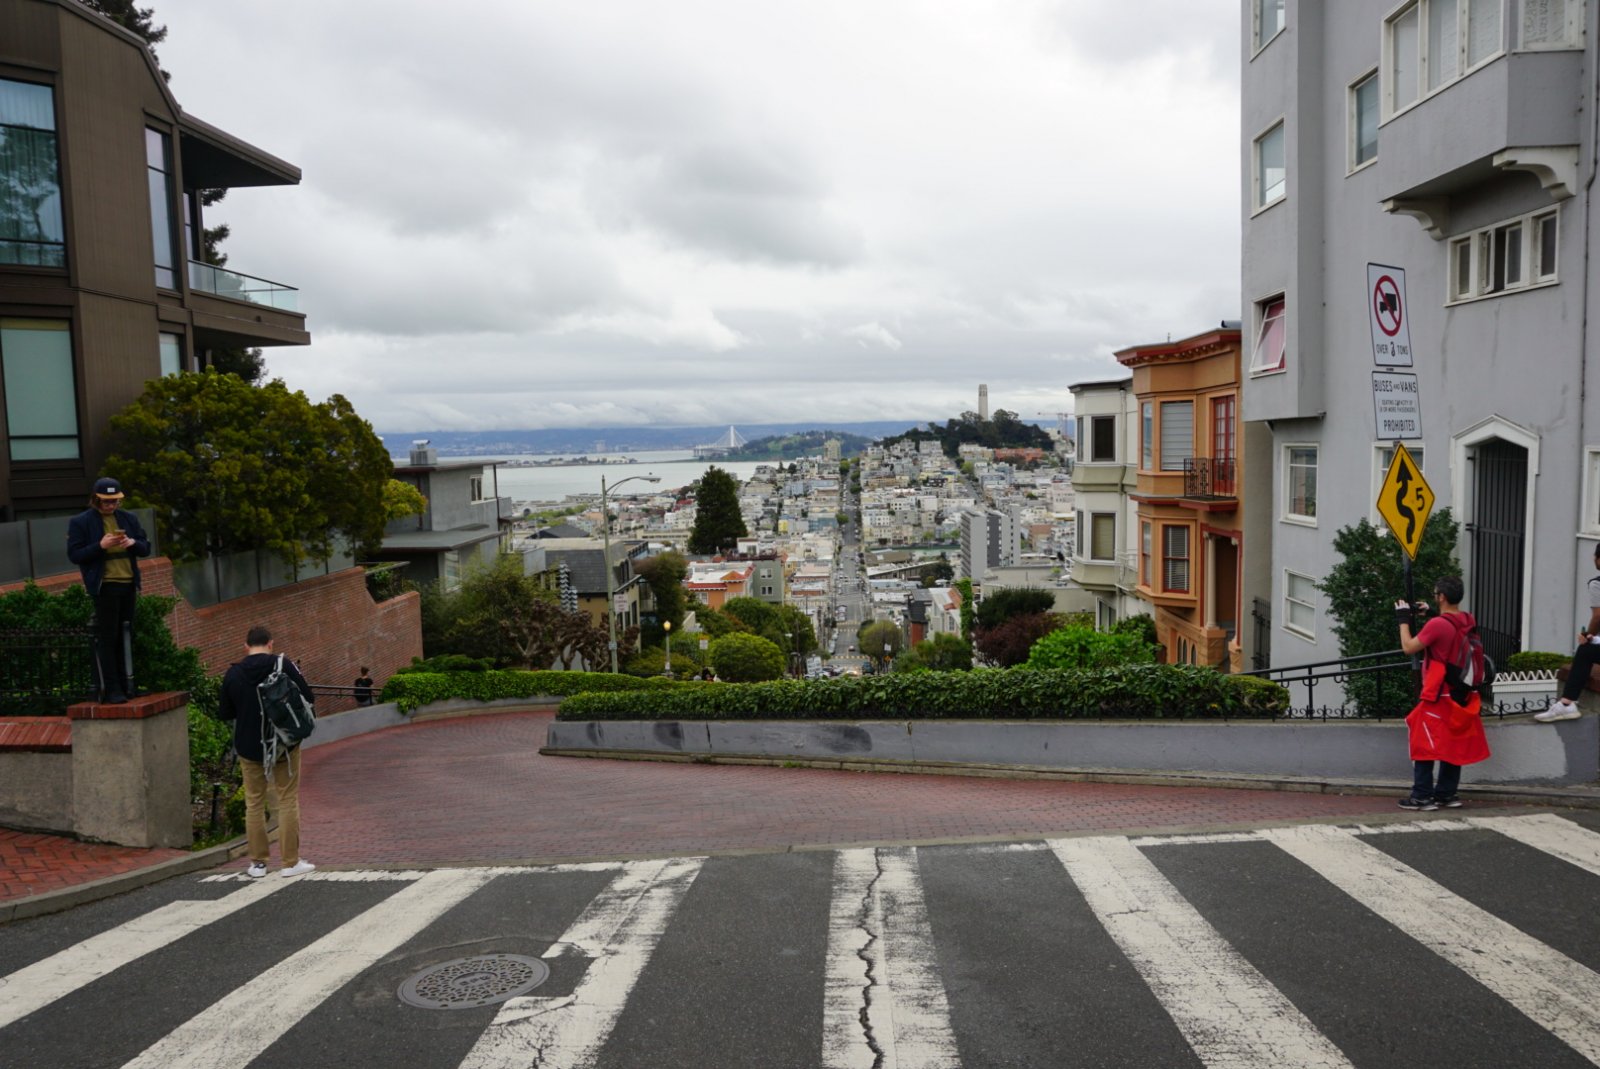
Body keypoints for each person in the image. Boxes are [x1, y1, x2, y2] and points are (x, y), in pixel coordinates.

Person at [219, 626, 315, 878]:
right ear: (270, 644)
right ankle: (290, 863)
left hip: (249, 746)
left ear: (245, 646)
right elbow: (308, 695)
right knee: (287, 799)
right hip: (284, 743)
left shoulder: (233, 673)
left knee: (254, 802)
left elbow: (225, 712)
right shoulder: (283, 665)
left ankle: (258, 864)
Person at [1395, 575, 1491, 811]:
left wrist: (1403, 619)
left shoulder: (1437, 625)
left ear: (1442, 597)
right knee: (1452, 743)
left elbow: (1409, 647)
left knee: (1423, 741)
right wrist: (1430, 613)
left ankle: (1422, 796)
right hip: (1461, 693)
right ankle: (1447, 794)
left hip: (1439, 692)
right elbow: (1449, 633)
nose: (1435, 597)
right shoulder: (1467, 619)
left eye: (1436, 594)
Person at [65, 476, 151, 704]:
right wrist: (100, 546)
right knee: (108, 637)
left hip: (128, 583)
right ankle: (112, 688)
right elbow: (75, 554)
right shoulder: (81, 522)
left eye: (114, 501)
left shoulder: (129, 518)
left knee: (125, 635)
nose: (111, 505)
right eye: (106, 501)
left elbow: (145, 548)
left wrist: (133, 543)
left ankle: (127, 685)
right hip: (105, 586)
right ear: (96, 499)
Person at [1535, 542, 1600, 722]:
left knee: (1585, 651)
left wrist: (1587, 636)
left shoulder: (1597, 584)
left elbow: (1598, 616)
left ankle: (1566, 704)